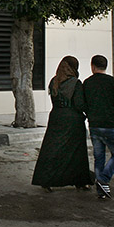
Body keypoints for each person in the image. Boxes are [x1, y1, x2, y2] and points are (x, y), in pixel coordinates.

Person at [32, 56, 93, 192]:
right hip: (72, 121)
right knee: (76, 152)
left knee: (52, 149)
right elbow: (79, 104)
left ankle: (46, 179)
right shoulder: (76, 83)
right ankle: (80, 181)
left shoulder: (53, 81)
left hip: (56, 118)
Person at [83, 55, 114, 199]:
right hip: (110, 125)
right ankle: (103, 179)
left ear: (92, 66)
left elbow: (85, 104)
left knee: (98, 156)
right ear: (105, 66)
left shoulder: (87, 83)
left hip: (94, 125)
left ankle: (101, 189)